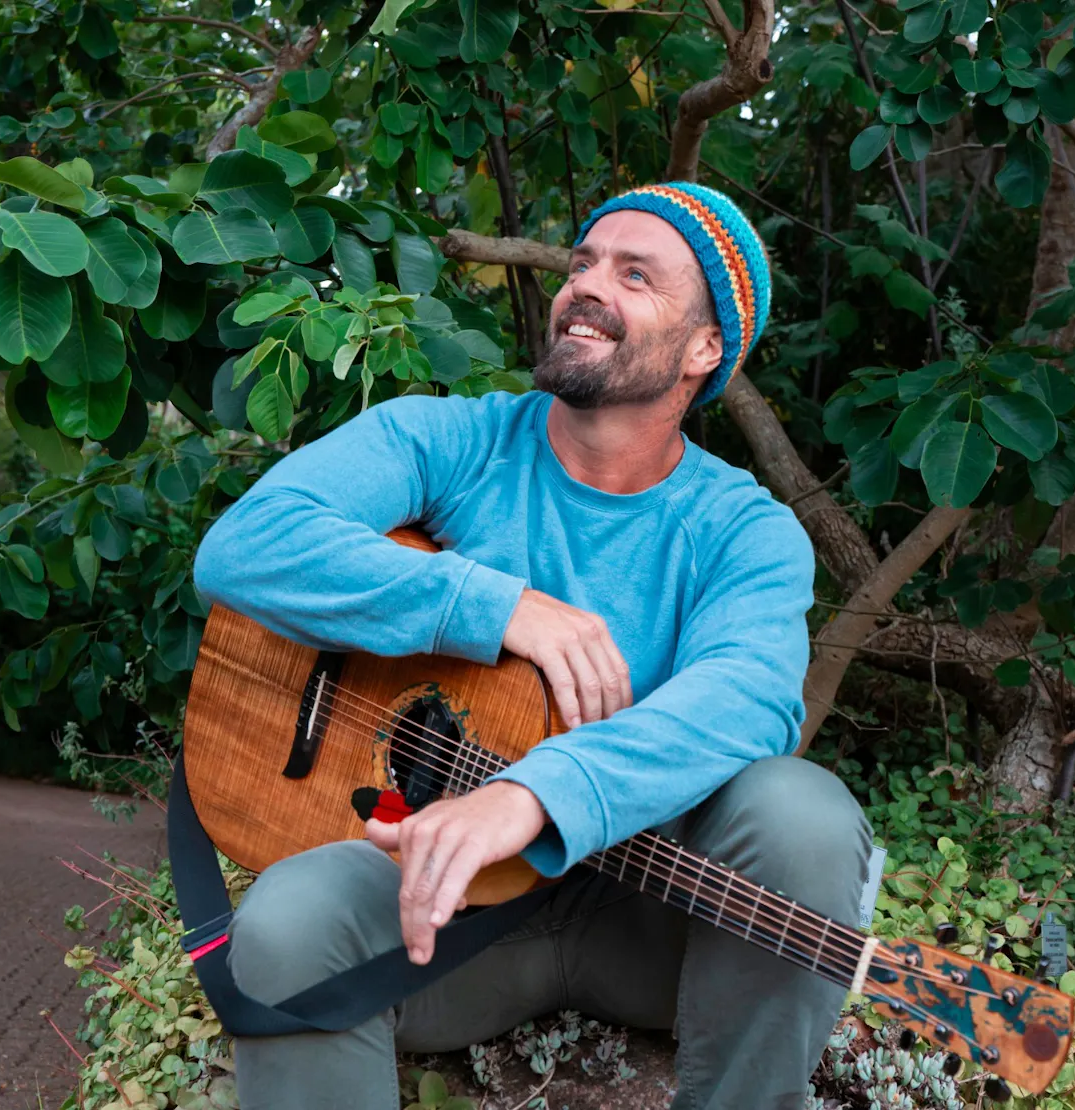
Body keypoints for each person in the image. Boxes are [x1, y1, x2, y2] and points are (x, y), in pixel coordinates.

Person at [192, 182, 872, 1110]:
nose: (588, 285)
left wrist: (530, 795)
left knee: (802, 814)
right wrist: (495, 605)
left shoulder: (743, 530)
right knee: (287, 918)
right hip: (448, 926)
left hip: (653, 927)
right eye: (584, 261)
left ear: (705, 349)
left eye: (637, 276)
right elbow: (248, 545)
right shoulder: (449, 439)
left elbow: (750, 697)